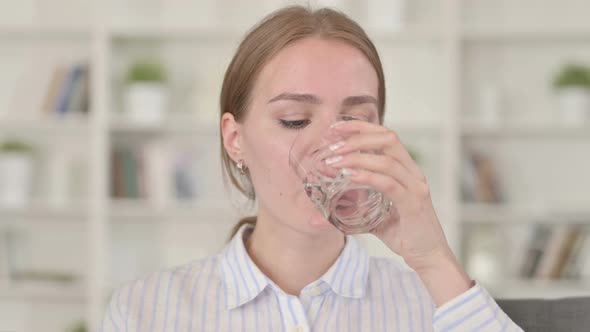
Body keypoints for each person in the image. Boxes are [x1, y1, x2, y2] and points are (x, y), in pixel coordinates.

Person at [101, 6, 523, 332]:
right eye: (295, 121)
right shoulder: (146, 311)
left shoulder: (436, 304)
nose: (331, 150)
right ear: (235, 139)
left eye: (355, 121)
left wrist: (433, 259)